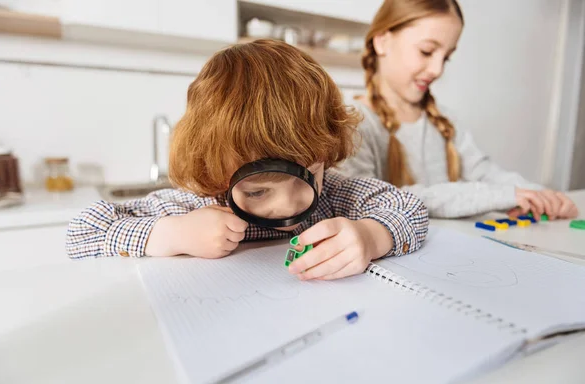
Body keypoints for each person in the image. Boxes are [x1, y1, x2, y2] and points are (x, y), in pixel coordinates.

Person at [66, 39, 428, 281]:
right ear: (217, 174)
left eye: (309, 175)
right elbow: (82, 232)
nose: (289, 205)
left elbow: (408, 206)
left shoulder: (333, 194)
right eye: (257, 192)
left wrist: (370, 236)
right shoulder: (194, 207)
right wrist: (171, 234)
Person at [337, 0, 579, 220]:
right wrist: (500, 196)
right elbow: (371, 199)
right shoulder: (352, 122)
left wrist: (541, 195)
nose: (437, 70)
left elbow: (484, 172)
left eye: (446, 58)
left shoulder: (444, 120)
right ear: (382, 41)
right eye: (427, 52)